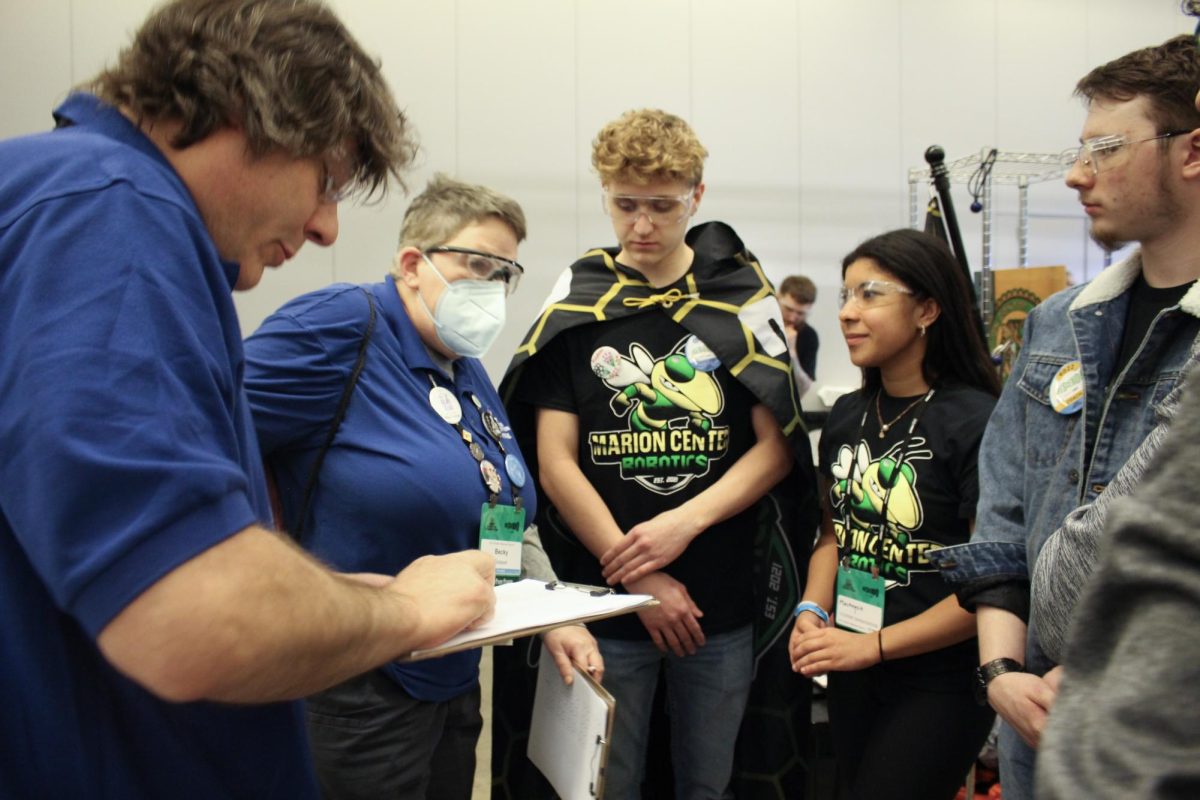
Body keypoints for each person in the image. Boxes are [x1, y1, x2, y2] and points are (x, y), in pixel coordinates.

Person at [0, 2, 497, 797]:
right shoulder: (111, 210)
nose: (330, 227)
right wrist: (402, 612)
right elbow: (191, 616)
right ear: (245, 113)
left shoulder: (65, 195)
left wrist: (329, 598)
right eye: (328, 181)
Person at [243, 173, 602, 799]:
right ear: (413, 263)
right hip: (357, 680)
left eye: (505, 273)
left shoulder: (466, 370)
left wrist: (556, 613)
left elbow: (507, 510)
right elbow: (205, 437)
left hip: (454, 673)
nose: (492, 287)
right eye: (477, 264)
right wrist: (270, 576)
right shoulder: (341, 326)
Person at [498, 108, 820, 799]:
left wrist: (683, 523)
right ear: (605, 195)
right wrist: (636, 578)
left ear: (697, 198)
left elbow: (777, 450)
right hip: (605, 599)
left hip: (720, 600)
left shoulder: (740, 300)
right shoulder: (577, 307)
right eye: (625, 205)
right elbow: (553, 462)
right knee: (602, 781)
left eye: (663, 207)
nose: (642, 225)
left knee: (709, 781)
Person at [927, 34, 1200, 800]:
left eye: (1108, 148)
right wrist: (1002, 676)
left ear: (1193, 151)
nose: (1078, 175)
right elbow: (1004, 513)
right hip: (1035, 726)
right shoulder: (1057, 324)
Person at [788, 229, 1000, 800]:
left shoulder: (978, 423)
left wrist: (874, 646)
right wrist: (812, 607)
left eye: (870, 295)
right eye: (845, 296)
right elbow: (834, 537)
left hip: (941, 680)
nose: (847, 314)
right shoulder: (847, 415)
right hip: (856, 665)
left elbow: (992, 587)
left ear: (928, 309)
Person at [779, 274, 821, 394]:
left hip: (783, 406)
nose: (792, 318)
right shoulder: (759, 325)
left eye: (800, 313)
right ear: (778, 297)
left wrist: (791, 352)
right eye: (788, 309)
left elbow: (802, 391)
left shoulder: (809, 336)